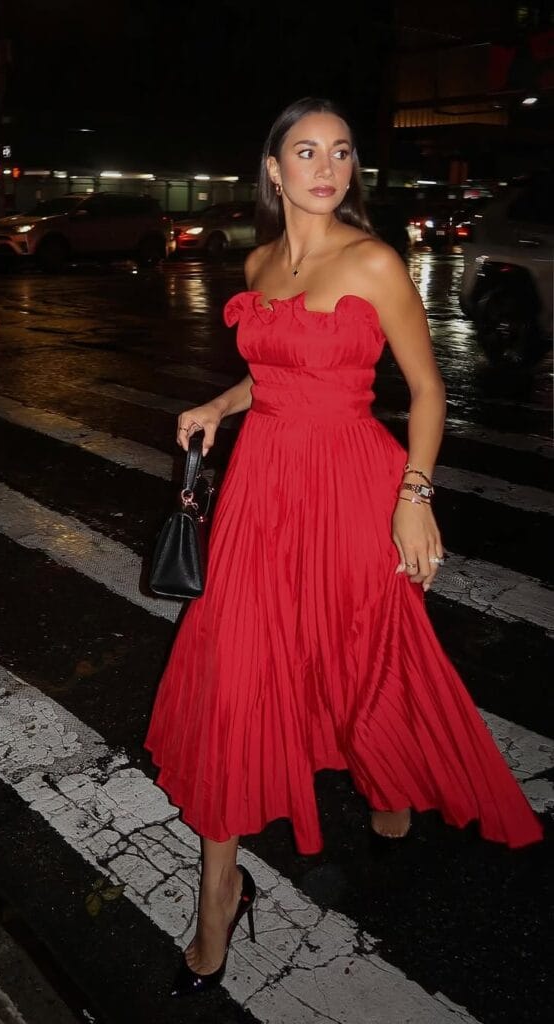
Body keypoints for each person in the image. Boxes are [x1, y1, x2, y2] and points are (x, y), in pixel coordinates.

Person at [144, 97, 543, 998]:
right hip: (260, 493)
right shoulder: (258, 264)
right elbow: (274, 368)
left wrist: (414, 496)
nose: (327, 166)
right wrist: (220, 404)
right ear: (274, 171)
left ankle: (391, 793)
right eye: (306, 151)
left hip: (356, 489)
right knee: (237, 672)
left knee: (361, 655)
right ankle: (221, 894)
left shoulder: (373, 262)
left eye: (341, 151)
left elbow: (429, 391)